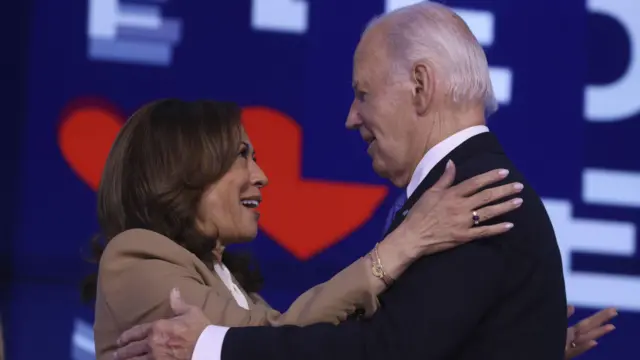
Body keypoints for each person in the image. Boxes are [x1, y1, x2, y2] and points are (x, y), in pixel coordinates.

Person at [111, 2, 618, 360]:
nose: (351, 117)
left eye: (364, 94)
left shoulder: (475, 200)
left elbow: (383, 351)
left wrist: (208, 347)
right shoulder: (455, 199)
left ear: (420, 86)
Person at [88, 98, 524, 360]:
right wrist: (400, 247)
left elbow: (288, 346)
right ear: (182, 166)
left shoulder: (226, 279)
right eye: (242, 155)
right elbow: (267, 346)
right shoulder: (135, 258)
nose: (261, 176)